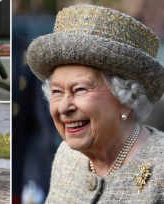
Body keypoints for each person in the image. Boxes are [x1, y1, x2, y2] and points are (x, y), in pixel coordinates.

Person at [26, 4, 164, 203]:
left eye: (80, 89)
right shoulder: (66, 157)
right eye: (56, 91)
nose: (64, 107)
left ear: (127, 99)